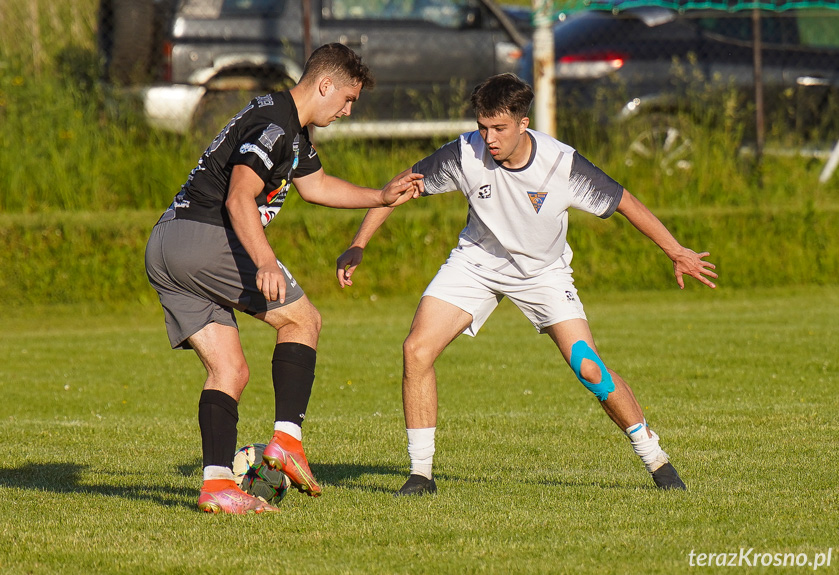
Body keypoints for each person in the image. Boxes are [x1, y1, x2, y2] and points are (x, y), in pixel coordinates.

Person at [336, 73, 717, 496]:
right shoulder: (466, 153)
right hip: (478, 262)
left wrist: (675, 250)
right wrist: (359, 244)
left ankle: (657, 461)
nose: (489, 138)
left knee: (590, 368)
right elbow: (398, 188)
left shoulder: (561, 165)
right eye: (483, 127)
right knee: (417, 349)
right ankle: (421, 475)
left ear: (523, 123)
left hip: (544, 273)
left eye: (499, 128)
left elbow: (625, 202)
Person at [145, 43, 422, 514]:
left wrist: (380, 196)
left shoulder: (288, 127)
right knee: (303, 321)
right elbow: (239, 198)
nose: (348, 111)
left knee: (230, 370)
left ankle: (216, 486)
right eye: (348, 99)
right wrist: (266, 260)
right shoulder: (275, 127)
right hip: (205, 236)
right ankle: (287, 441)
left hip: (166, 246)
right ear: (325, 84)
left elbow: (315, 185)